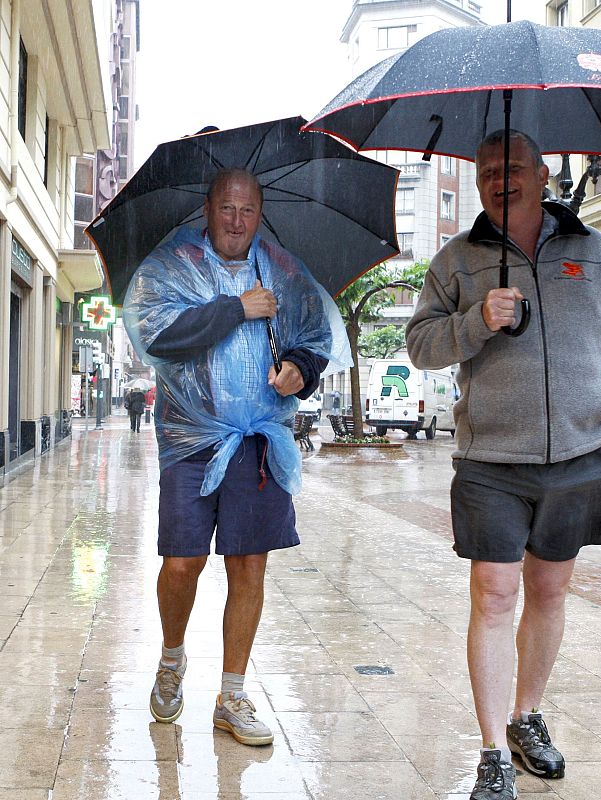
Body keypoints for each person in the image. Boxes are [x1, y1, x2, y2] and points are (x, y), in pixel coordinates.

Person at [406, 130, 601, 799]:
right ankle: (490, 749)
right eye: (487, 169)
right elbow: (421, 345)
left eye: (512, 167)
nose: (498, 178)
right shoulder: (456, 259)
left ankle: (525, 717)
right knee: (494, 593)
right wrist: (477, 320)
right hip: (490, 459)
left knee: (547, 593)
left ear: (542, 175)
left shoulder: (592, 252)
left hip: (581, 457)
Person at [123, 168, 348, 746]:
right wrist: (234, 308)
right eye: (226, 208)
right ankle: (172, 659)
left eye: (247, 211)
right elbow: (156, 336)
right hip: (191, 444)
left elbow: (311, 338)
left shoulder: (282, 269)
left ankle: (232, 694)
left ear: (260, 211)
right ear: (207, 207)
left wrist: (300, 368)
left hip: (258, 442)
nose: (236, 221)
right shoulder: (171, 265)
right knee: (182, 563)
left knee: (248, 566)